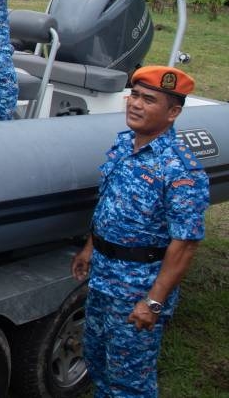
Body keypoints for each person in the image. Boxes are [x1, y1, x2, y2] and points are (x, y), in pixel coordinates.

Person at [71, 65, 208, 398]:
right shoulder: (124, 146)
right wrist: (90, 247)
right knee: (98, 362)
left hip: (136, 289)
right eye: (134, 95)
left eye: (149, 99)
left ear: (173, 112)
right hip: (104, 277)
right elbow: (110, 204)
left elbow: (185, 244)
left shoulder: (178, 169)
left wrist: (154, 302)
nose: (135, 104)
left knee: (129, 382)